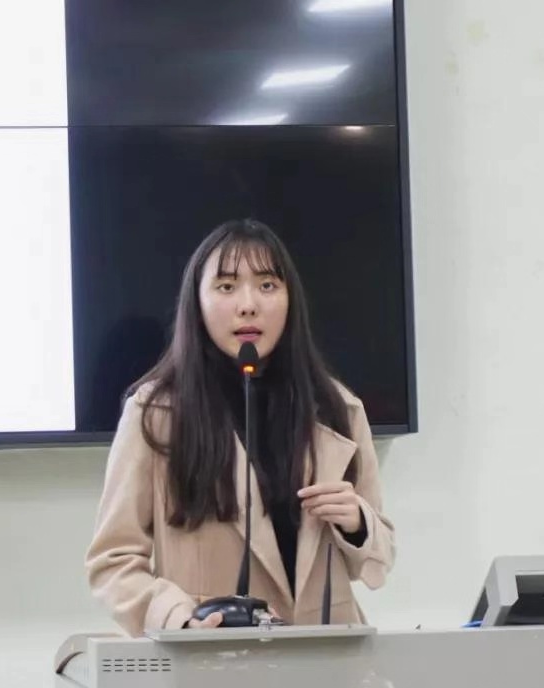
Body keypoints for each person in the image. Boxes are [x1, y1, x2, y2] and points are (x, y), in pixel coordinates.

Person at [85, 219, 395, 636]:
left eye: (267, 285)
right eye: (227, 286)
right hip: (215, 656)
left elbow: (377, 561)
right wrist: (177, 620)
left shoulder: (337, 408)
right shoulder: (156, 413)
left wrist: (357, 522)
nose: (248, 305)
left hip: (328, 656)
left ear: (291, 300)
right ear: (197, 302)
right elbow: (112, 562)